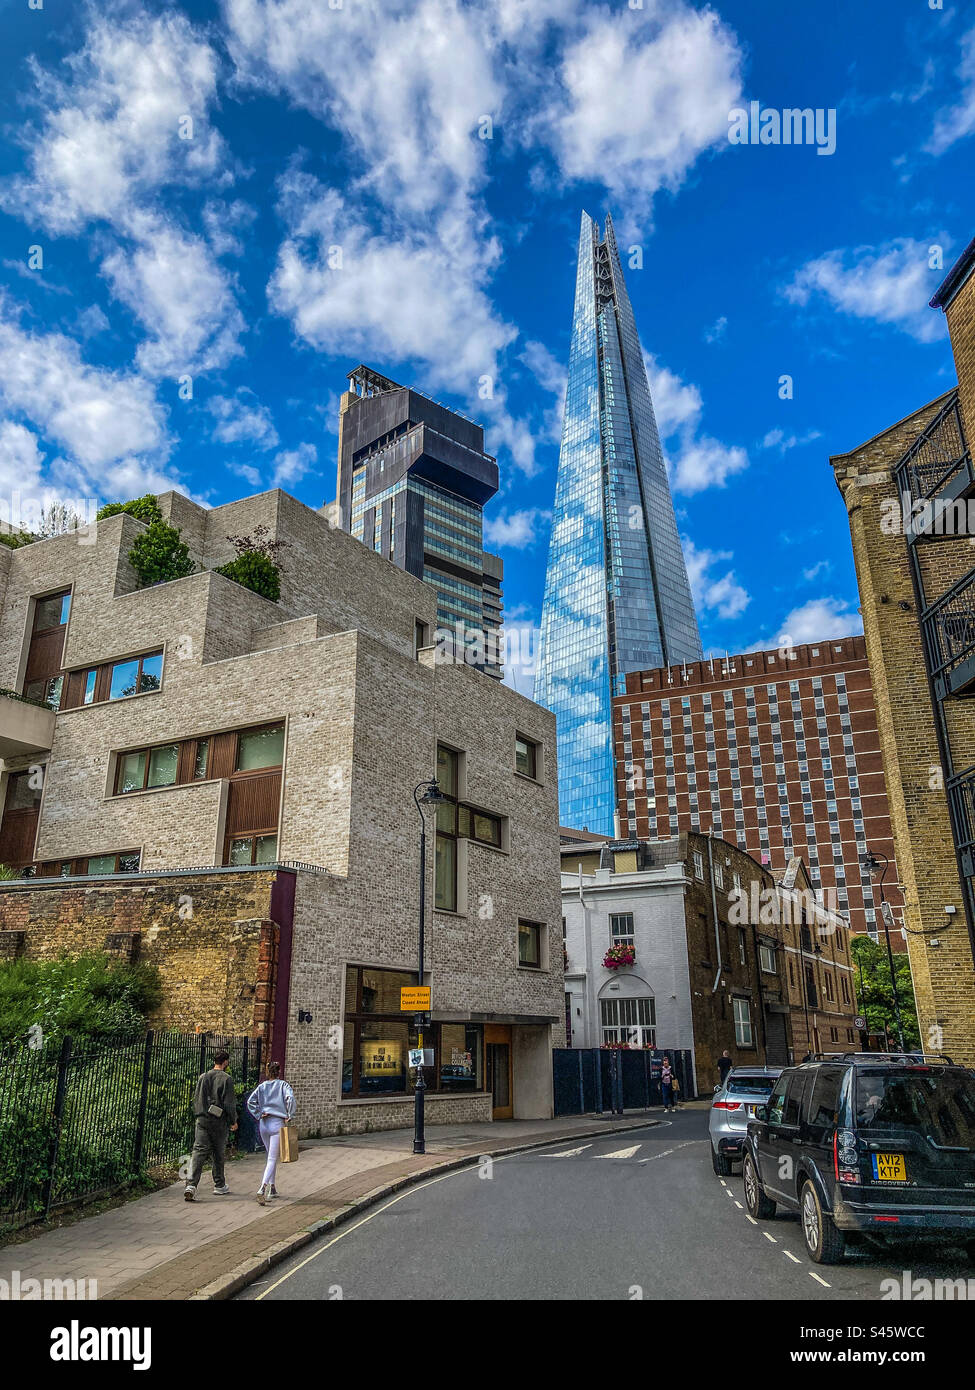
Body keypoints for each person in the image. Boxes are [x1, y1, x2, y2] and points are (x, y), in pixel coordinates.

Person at [185, 1051, 238, 1201]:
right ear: (225, 1062)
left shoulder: (203, 1077)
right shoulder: (226, 1079)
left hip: (202, 1119)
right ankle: (219, 1185)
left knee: (198, 1151)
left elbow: (196, 1099)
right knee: (218, 1152)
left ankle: (191, 1185)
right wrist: (233, 1120)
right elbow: (229, 1104)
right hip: (218, 1121)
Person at [247, 1061, 296, 1205]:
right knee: (272, 1159)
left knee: (270, 1156)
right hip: (277, 1123)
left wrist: (258, 1113)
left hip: (264, 1123)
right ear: (279, 1071)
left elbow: (250, 1102)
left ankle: (272, 1188)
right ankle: (262, 1189)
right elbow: (290, 1098)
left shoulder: (262, 1086)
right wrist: (289, 1114)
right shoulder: (283, 1085)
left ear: (268, 1072)